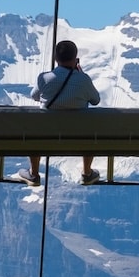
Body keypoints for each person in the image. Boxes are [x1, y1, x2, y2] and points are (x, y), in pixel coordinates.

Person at [28, 38, 101, 186]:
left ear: (56, 59)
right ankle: (87, 173)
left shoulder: (44, 78)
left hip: (45, 138)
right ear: (75, 59)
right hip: (80, 138)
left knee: (33, 130)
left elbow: (35, 96)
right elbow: (96, 100)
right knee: (91, 128)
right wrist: (80, 75)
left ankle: (33, 173)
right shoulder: (83, 80)